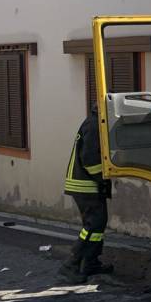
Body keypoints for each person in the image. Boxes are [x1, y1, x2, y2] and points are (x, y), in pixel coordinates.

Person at [59, 108, 114, 284]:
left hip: (87, 184)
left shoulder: (95, 122)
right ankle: (71, 264)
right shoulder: (95, 124)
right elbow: (90, 159)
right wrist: (103, 178)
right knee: (93, 225)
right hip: (85, 185)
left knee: (97, 226)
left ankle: (91, 262)